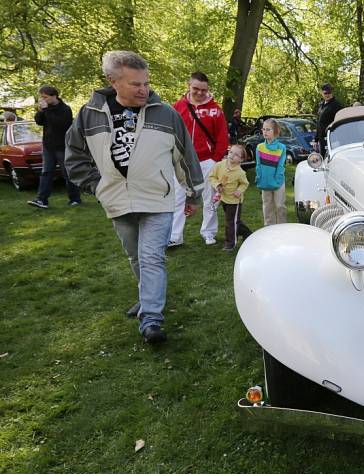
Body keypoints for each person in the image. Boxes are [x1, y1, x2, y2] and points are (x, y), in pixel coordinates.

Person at [65, 50, 204, 344]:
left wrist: (193, 193)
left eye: (146, 83)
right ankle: (147, 298)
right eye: (135, 84)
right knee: (135, 256)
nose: (144, 90)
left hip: (157, 198)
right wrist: (97, 186)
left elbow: (185, 156)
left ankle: (151, 317)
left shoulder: (166, 113)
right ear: (112, 81)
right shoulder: (89, 115)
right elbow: (74, 157)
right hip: (116, 199)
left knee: (152, 257)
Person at [169, 71, 229, 247]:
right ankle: (174, 236)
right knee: (178, 197)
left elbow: (222, 136)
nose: (200, 92)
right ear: (189, 85)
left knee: (210, 198)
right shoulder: (177, 107)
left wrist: (215, 159)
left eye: (204, 89)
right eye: (196, 88)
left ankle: (208, 232)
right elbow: (170, 133)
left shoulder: (215, 110)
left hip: (207, 161)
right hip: (182, 162)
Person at [27, 86, 82, 209]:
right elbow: (39, 122)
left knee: (67, 173)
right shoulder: (46, 109)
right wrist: (41, 111)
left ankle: (75, 199)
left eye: (45, 97)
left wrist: (47, 111)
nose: (43, 99)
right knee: (46, 172)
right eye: (42, 97)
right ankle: (41, 200)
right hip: (48, 146)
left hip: (62, 146)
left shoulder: (65, 109)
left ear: (54, 96)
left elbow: (60, 124)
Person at [208, 144, 252, 251]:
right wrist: (217, 185)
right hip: (224, 199)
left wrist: (239, 190)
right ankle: (248, 234)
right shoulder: (220, 165)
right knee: (233, 221)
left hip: (235, 201)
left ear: (241, 159)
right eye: (231, 152)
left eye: (236, 155)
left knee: (230, 222)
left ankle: (230, 243)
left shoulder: (240, 172)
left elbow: (244, 184)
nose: (232, 155)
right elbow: (211, 177)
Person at [255, 119, 287, 226]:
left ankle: (282, 227)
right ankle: (269, 228)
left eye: (268, 129)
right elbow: (258, 165)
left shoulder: (281, 148)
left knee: (279, 205)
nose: (265, 132)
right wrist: (259, 178)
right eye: (263, 129)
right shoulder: (260, 147)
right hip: (265, 182)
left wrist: (277, 180)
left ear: (275, 131)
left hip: (278, 182)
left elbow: (280, 165)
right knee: (267, 206)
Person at [314, 83, 343, 157]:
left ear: (332, 92)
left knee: (333, 158)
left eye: (329, 93)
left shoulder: (337, 105)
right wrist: (316, 140)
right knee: (323, 159)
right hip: (322, 139)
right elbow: (319, 123)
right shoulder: (321, 105)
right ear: (322, 93)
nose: (327, 95)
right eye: (325, 93)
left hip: (332, 138)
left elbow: (340, 122)